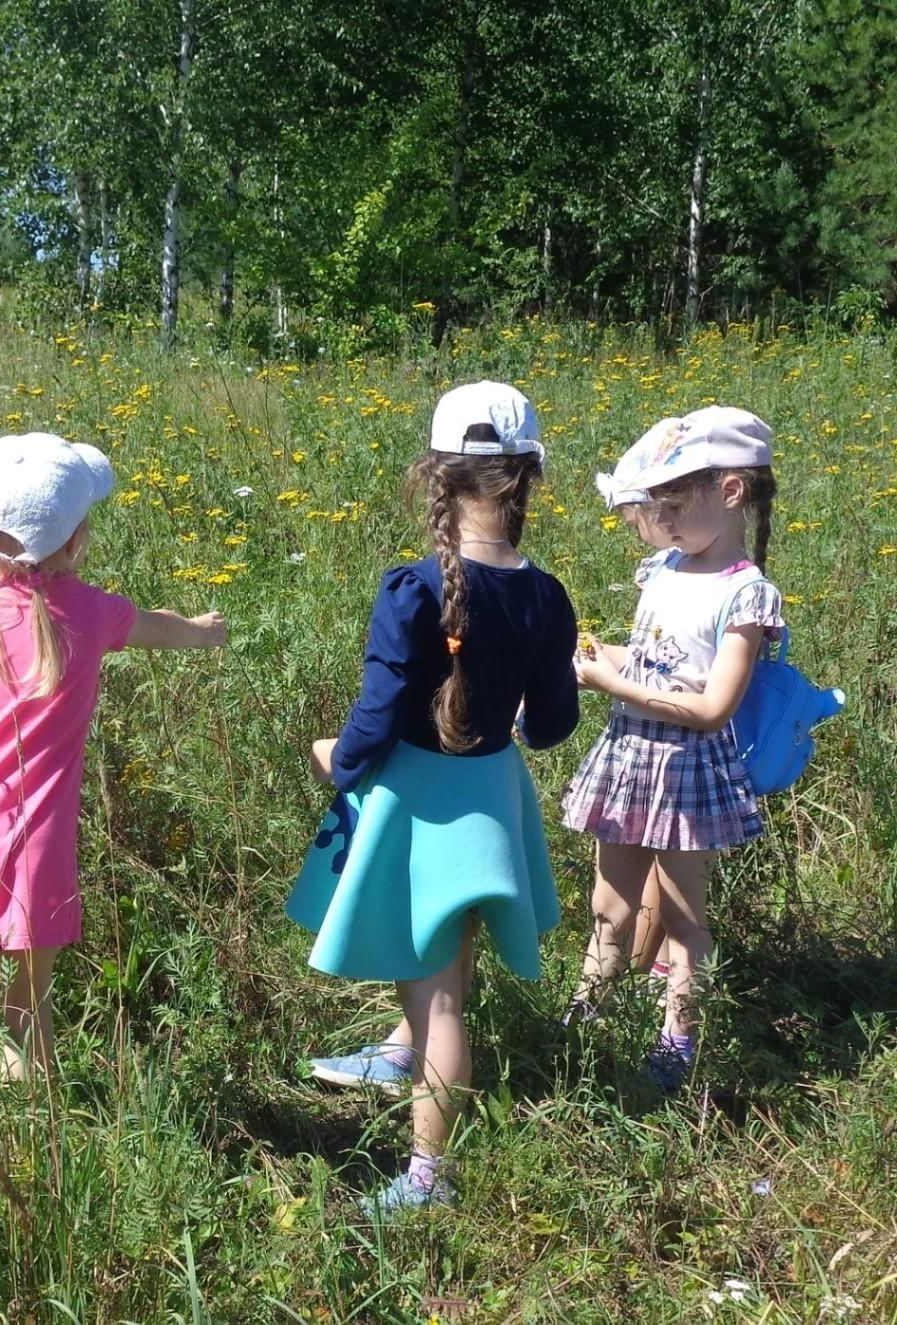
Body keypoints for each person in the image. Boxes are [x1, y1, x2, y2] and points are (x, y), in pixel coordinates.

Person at [286, 381, 580, 1214]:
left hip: (414, 802)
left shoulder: (413, 589)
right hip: (489, 796)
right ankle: (397, 1050)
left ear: (434, 477)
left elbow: (375, 718)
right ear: (527, 480)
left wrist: (337, 762)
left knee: (438, 990)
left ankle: (429, 1175)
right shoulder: (548, 596)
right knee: (448, 960)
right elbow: (553, 724)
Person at [0, 432, 226, 1095]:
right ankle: (26, 1147)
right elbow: (160, 626)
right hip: (34, 848)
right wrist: (203, 632)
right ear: (73, 540)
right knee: (24, 1009)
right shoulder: (92, 613)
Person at [561, 407, 780, 1090]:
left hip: (685, 765)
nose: (661, 517)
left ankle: (676, 1039)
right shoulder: (664, 567)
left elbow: (713, 707)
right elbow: (659, 659)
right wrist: (600, 655)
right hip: (628, 753)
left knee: (684, 914)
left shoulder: (743, 592)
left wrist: (610, 680)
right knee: (609, 902)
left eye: (675, 503)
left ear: (732, 491)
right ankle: (583, 1018)